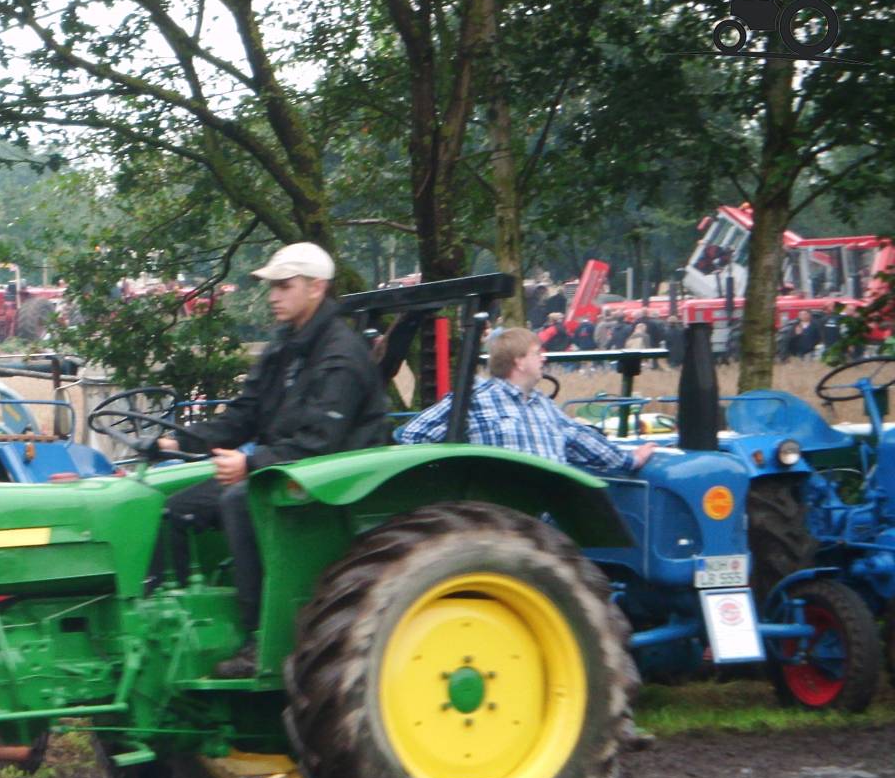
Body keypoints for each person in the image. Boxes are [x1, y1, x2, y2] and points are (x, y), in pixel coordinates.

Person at [157, 241, 388, 678]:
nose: (274, 296)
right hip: (283, 470)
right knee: (174, 508)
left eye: (285, 286)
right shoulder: (285, 346)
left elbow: (320, 442)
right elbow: (243, 415)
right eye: (273, 287)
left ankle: (259, 638)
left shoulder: (342, 356)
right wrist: (178, 442)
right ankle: (175, 627)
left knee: (237, 500)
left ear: (317, 288)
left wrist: (250, 465)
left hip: (336, 480)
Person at [399, 326, 657, 472]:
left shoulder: (542, 404)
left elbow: (579, 438)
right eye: (537, 353)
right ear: (518, 361)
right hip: (502, 517)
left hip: (548, 515)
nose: (543, 358)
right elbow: (413, 435)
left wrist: (630, 460)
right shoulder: (475, 399)